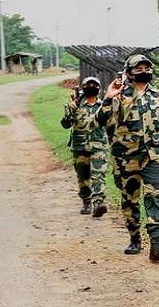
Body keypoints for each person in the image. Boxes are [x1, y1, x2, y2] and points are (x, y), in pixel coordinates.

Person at [103, 54, 159, 262]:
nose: (144, 72)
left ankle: (156, 244)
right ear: (129, 73)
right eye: (138, 69)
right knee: (129, 199)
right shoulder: (120, 95)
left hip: (155, 155)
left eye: (147, 68)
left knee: (154, 195)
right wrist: (109, 97)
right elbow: (99, 121)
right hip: (126, 156)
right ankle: (134, 238)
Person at [60, 76, 110, 218]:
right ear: (83, 87)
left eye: (95, 85)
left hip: (99, 146)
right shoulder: (75, 105)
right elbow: (65, 125)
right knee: (83, 177)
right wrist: (70, 110)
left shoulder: (103, 106)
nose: (92, 87)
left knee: (98, 174)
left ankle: (98, 204)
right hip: (79, 146)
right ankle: (86, 201)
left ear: (99, 89)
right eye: (88, 85)